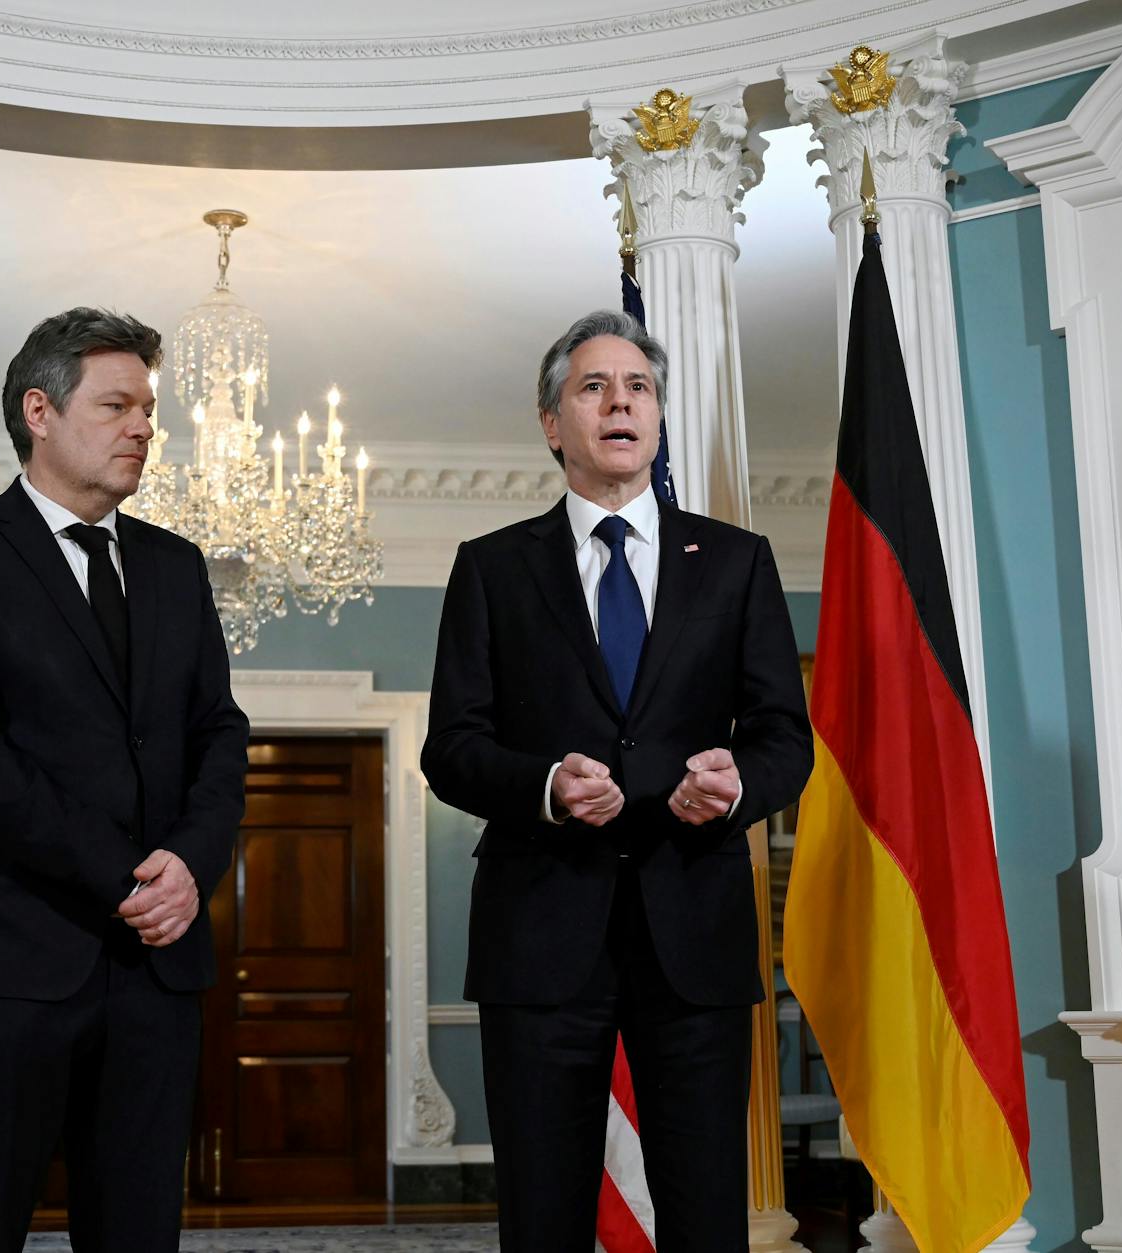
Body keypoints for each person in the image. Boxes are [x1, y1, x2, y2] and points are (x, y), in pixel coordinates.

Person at [421, 310, 812, 1251]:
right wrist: (548, 784)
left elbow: (782, 737)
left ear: (658, 419)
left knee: (706, 1205)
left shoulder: (735, 562)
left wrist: (735, 783)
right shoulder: (492, 569)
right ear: (554, 424)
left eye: (637, 387)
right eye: (593, 387)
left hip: (695, 928)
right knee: (544, 1210)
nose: (620, 402)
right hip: (541, 930)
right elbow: (452, 748)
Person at [0, 308, 250, 1251]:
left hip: (155, 974)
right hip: (1, 966)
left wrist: (191, 860)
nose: (144, 427)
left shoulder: (176, 565)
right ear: (39, 410)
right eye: (118, 405)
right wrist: (131, 874)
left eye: (149, 407)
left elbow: (218, 730)